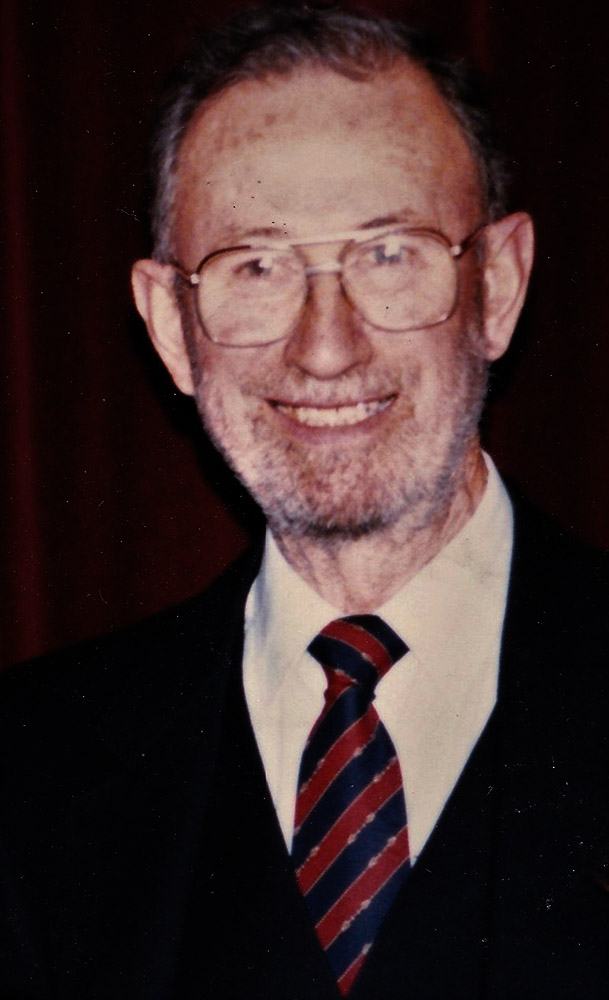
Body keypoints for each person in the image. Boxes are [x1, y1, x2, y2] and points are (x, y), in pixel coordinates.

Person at [1, 5, 608, 998]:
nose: (326, 346)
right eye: (257, 265)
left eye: (388, 253)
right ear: (169, 323)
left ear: (496, 286)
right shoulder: (29, 775)